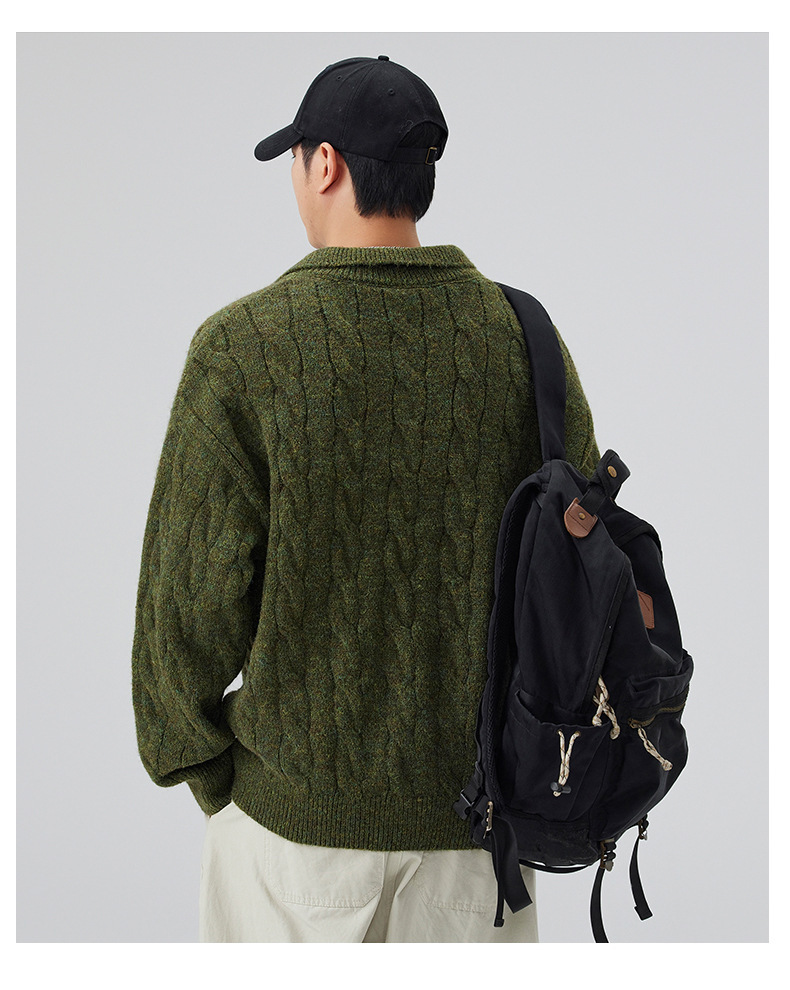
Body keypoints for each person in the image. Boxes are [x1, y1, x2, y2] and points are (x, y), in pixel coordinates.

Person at [131, 54, 601, 943]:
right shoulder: (526, 340)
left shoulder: (242, 348)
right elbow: (580, 577)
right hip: (481, 847)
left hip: (289, 845)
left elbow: (182, 616)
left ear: (326, 164)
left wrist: (211, 772)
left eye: (296, 158)